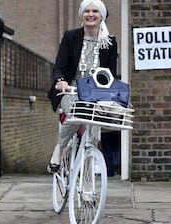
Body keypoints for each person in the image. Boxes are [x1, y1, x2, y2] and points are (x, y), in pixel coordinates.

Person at [47, 0, 118, 173]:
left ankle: (87, 177)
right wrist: (60, 81)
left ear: (101, 16)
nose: (91, 14)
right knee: (76, 110)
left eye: (95, 11)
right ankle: (60, 148)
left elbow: (110, 74)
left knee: (94, 123)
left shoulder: (109, 42)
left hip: (95, 93)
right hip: (70, 89)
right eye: (87, 11)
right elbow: (60, 66)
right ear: (82, 14)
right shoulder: (71, 37)